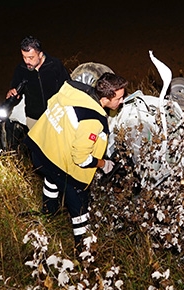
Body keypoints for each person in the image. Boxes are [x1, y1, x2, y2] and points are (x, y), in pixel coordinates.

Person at [23, 72, 128, 252]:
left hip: (39, 150)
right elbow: (81, 159)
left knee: (51, 179)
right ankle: (83, 250)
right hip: (57, 163)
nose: (122, 101)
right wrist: (103, 164)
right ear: (106, 98)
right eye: (119, 98)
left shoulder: (71, 91)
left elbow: (53, 110)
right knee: (79, 204)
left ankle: (49, 213)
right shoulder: (94, 120)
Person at [7, 36, 70, 130]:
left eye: (31, 57)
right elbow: (16, 90)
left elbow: (68, 87)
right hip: (34, 119)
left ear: (40, 55)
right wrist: (12, 93)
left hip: (56, 116)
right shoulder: (21, 69)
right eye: (24, 57)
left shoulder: (55, 65)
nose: (27, 61)